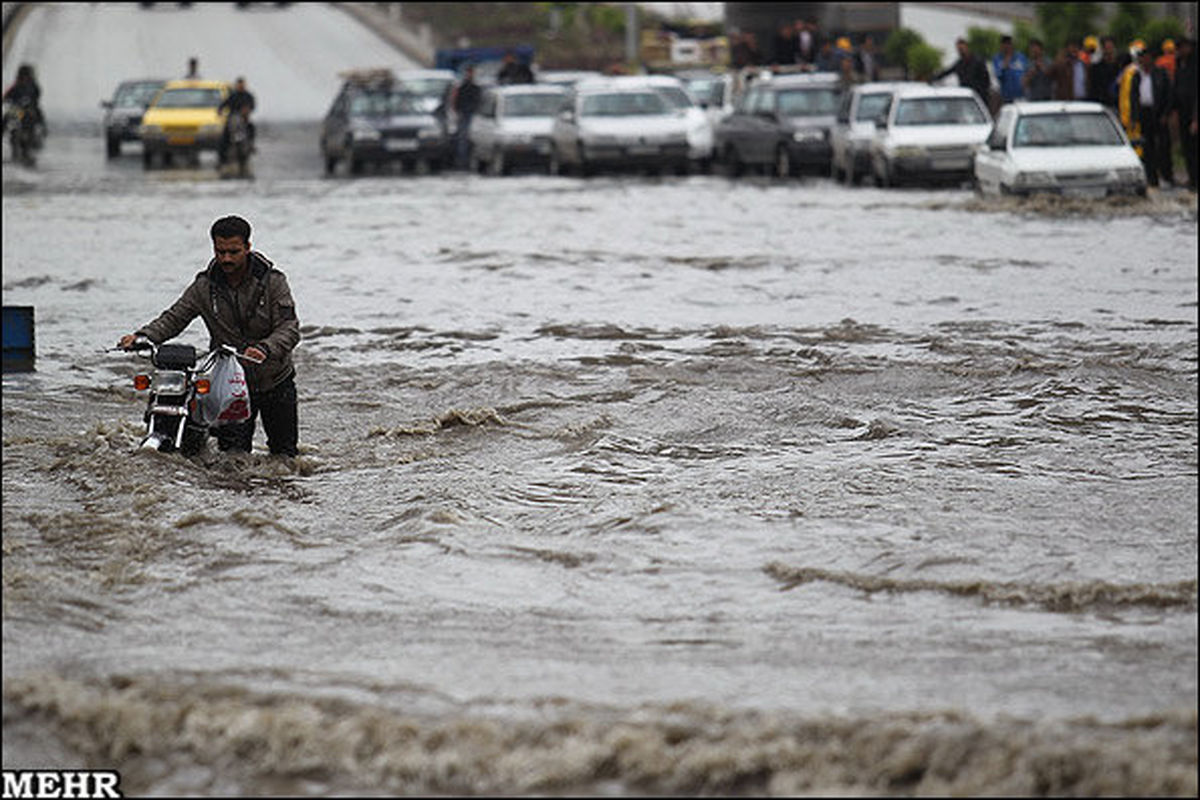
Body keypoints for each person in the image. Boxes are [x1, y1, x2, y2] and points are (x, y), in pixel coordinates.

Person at [116, 215, 300, 457]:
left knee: (285, 458)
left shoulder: (274, 282)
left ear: (248, 247)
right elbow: (174, 317)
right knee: (232, 460)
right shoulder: (204, 286)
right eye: (220, 251)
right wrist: (142, 336)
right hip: (229, 386)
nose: (226, 258)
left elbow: (290, 328)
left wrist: (265, 349)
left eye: (233, 252)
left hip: (276, 380)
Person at [1130, 46, 1174, 187]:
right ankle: (1151, 177)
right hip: (1144, 113)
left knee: (1163, 146)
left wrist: (1166, 114)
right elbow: (1133, 97)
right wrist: (1134, 117)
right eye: (1142, 57)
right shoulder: (1137, 75)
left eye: (1147, 57)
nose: (1145, 60)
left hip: (1159, 113)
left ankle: (1167, 176)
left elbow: (1169, 95)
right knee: (1147, 147)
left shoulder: (1161, 74)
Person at [932, 38, 990, 105]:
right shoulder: (960, 63)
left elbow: (986, 79)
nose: (960, 51)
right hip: (965, 95)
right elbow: (947, 72)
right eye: (959, 50)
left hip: (978, 97)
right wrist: (933, 78)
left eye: (962, 49)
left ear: (967, 47)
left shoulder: (978, 61)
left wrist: (983, 92)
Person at [1172, 37, 1196, 190]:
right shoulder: (1180, 66)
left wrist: (1195, 118)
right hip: (1183, 114)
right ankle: (1192, 178)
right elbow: (1176, 90)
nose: (1180, 51)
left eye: (1183, 48)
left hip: (1194, 114)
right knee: (1187, 148)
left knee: (1194, 148)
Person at [217, 76, 256, 164]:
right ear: (237, 85)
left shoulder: (248, 96)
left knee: (252, 128)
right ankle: (222, 159)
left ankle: (251, 145)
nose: (241, 86)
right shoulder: (233, 95)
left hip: (244, 120)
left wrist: (248, 109)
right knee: (224, 138)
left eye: (242, 85)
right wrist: (220, 111)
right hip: (232, 119)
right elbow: (223, 105)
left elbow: (253, 105)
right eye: (239, 85)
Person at [450, 64, 481, 169]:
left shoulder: (475, 88)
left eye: (471, 73)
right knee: (462, 138)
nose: (469, 75)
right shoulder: (462, 87)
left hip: (472, 115)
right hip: (464, 114)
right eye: (468, 73)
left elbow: (478, 102)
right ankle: (462, 161)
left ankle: (468, 160)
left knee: (471, 138)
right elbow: (456, 102)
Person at [3, 63, 46, 135]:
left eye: (26, 76)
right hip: (17, 109)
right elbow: (7, 95)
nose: (24, 78)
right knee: (7, 115)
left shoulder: (33, 86)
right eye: (23, 76)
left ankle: (39, 130)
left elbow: (36, 95)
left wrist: (31, 102)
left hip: (29, 109)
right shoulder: (16, 86)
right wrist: (7, 100)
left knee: (37, 114)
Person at [992, 34, 1028, 104]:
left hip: (1021, 95)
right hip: (1005, 96)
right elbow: (998, 76)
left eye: (1009, 44)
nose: (1007, 47)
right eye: (1004, 44)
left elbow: (1026, 72)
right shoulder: (997, 58)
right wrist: (1005, 65)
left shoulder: (1021, 57)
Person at [1088, 36, 1121, 108]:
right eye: (1107, 48)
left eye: (1111, 47)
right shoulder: (1096, 68)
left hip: (1118, 104)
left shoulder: (1120, 66)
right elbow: (1093, 89)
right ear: (1103, 49)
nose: (1109, 50)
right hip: (1102, 105)